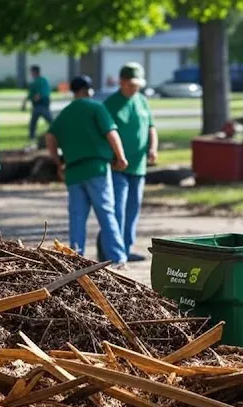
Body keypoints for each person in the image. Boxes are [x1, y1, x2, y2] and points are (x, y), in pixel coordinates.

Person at [44, 75, 128, 266]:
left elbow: (50, 136)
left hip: (73, 171)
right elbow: (111, 133)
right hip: (96, 167)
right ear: (88, 90)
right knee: (106, 213)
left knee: (77, 216)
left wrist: (58, 162)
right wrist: (121, 156)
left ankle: (75, 257)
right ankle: (117, 257)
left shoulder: (65, 114)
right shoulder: (96, 107)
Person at [102, 62, 158, 261]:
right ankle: (112, 252)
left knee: (133, 210)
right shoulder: (110, 104)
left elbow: (151, 127)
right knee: (117, 209)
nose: (135, 88)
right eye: (131, 84)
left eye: (138, 84)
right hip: (118, 166)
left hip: (139, 166)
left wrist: (153, 148)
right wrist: (114, 156)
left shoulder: (142, 101)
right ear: (122, 82)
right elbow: (104, 133)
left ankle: (126, 248)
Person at [21, 65, 53, 146]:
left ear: (35, 72)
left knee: (47, 121)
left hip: (41, 105)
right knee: (34, 123)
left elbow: (40, 94)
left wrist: (35, 98)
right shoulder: (39, 81)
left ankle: (33, 138)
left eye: (31, 72)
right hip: (39, 105)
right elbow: (30, 94)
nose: (31, 74)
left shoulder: (40, 81)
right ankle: (32, 138)